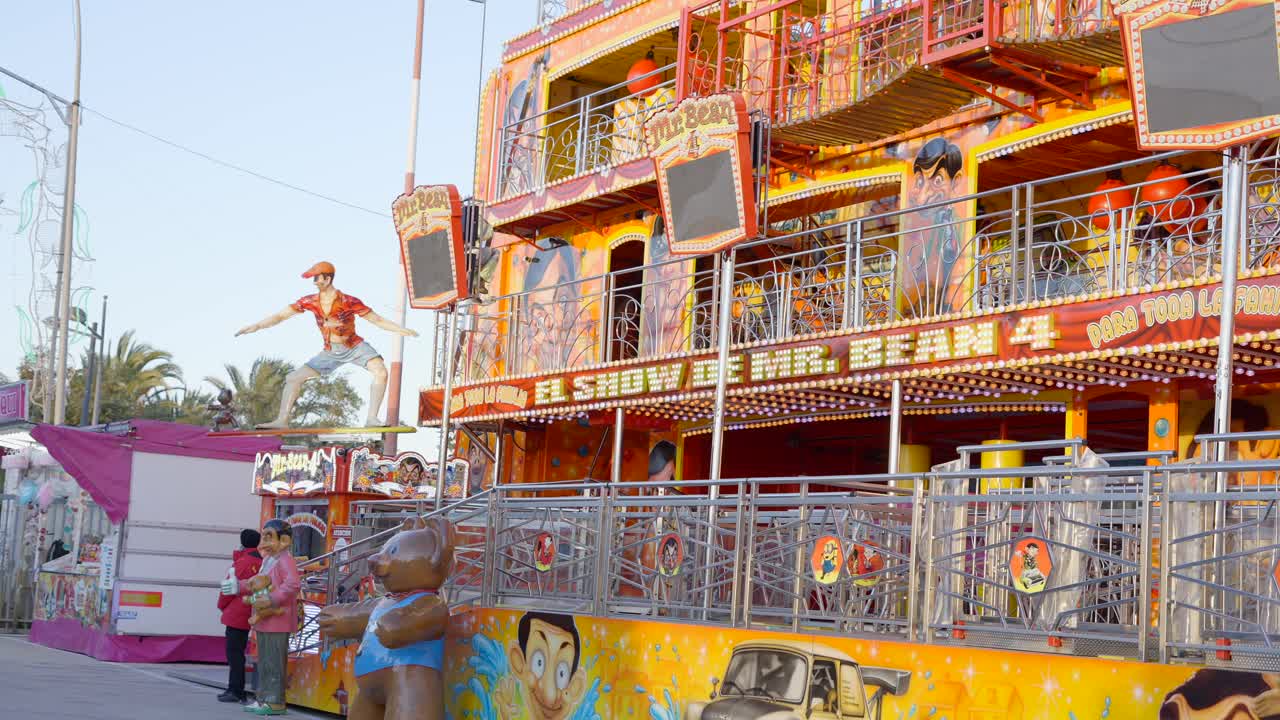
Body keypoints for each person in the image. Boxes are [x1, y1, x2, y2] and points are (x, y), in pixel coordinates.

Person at [234, 261, 418, 429]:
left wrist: (401, 330)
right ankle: (282, 421)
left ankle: (371, 418)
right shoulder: (310, 301)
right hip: (330, 351)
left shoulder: (348, 301)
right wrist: (256, 326)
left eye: (317, 278)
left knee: (381, 371)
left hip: (354, 346)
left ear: (327, 278)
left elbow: (376, 320)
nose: (314, 282)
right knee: (293, 378)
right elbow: (281, 316)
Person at [222, 519, 300, 716]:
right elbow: (255, 582)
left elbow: (292, 585)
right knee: (264, 662)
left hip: (277, 620)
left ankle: (275, 701)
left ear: (284, 540)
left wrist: (272, 599)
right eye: (264, 535)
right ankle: (264, 698)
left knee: (273, 662)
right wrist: (238, 586)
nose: (264, 540)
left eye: (269, 536)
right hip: (264, 620)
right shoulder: (268, 560)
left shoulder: (285, 560)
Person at [216, 530, 263, 704]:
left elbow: (227, 589)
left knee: (234, 653)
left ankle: (235, 689)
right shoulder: (262, 562)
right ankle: (237, 689)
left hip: (237, 612)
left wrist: (222, 606)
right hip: (255, 609)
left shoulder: (241, 562)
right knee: (239, 652)